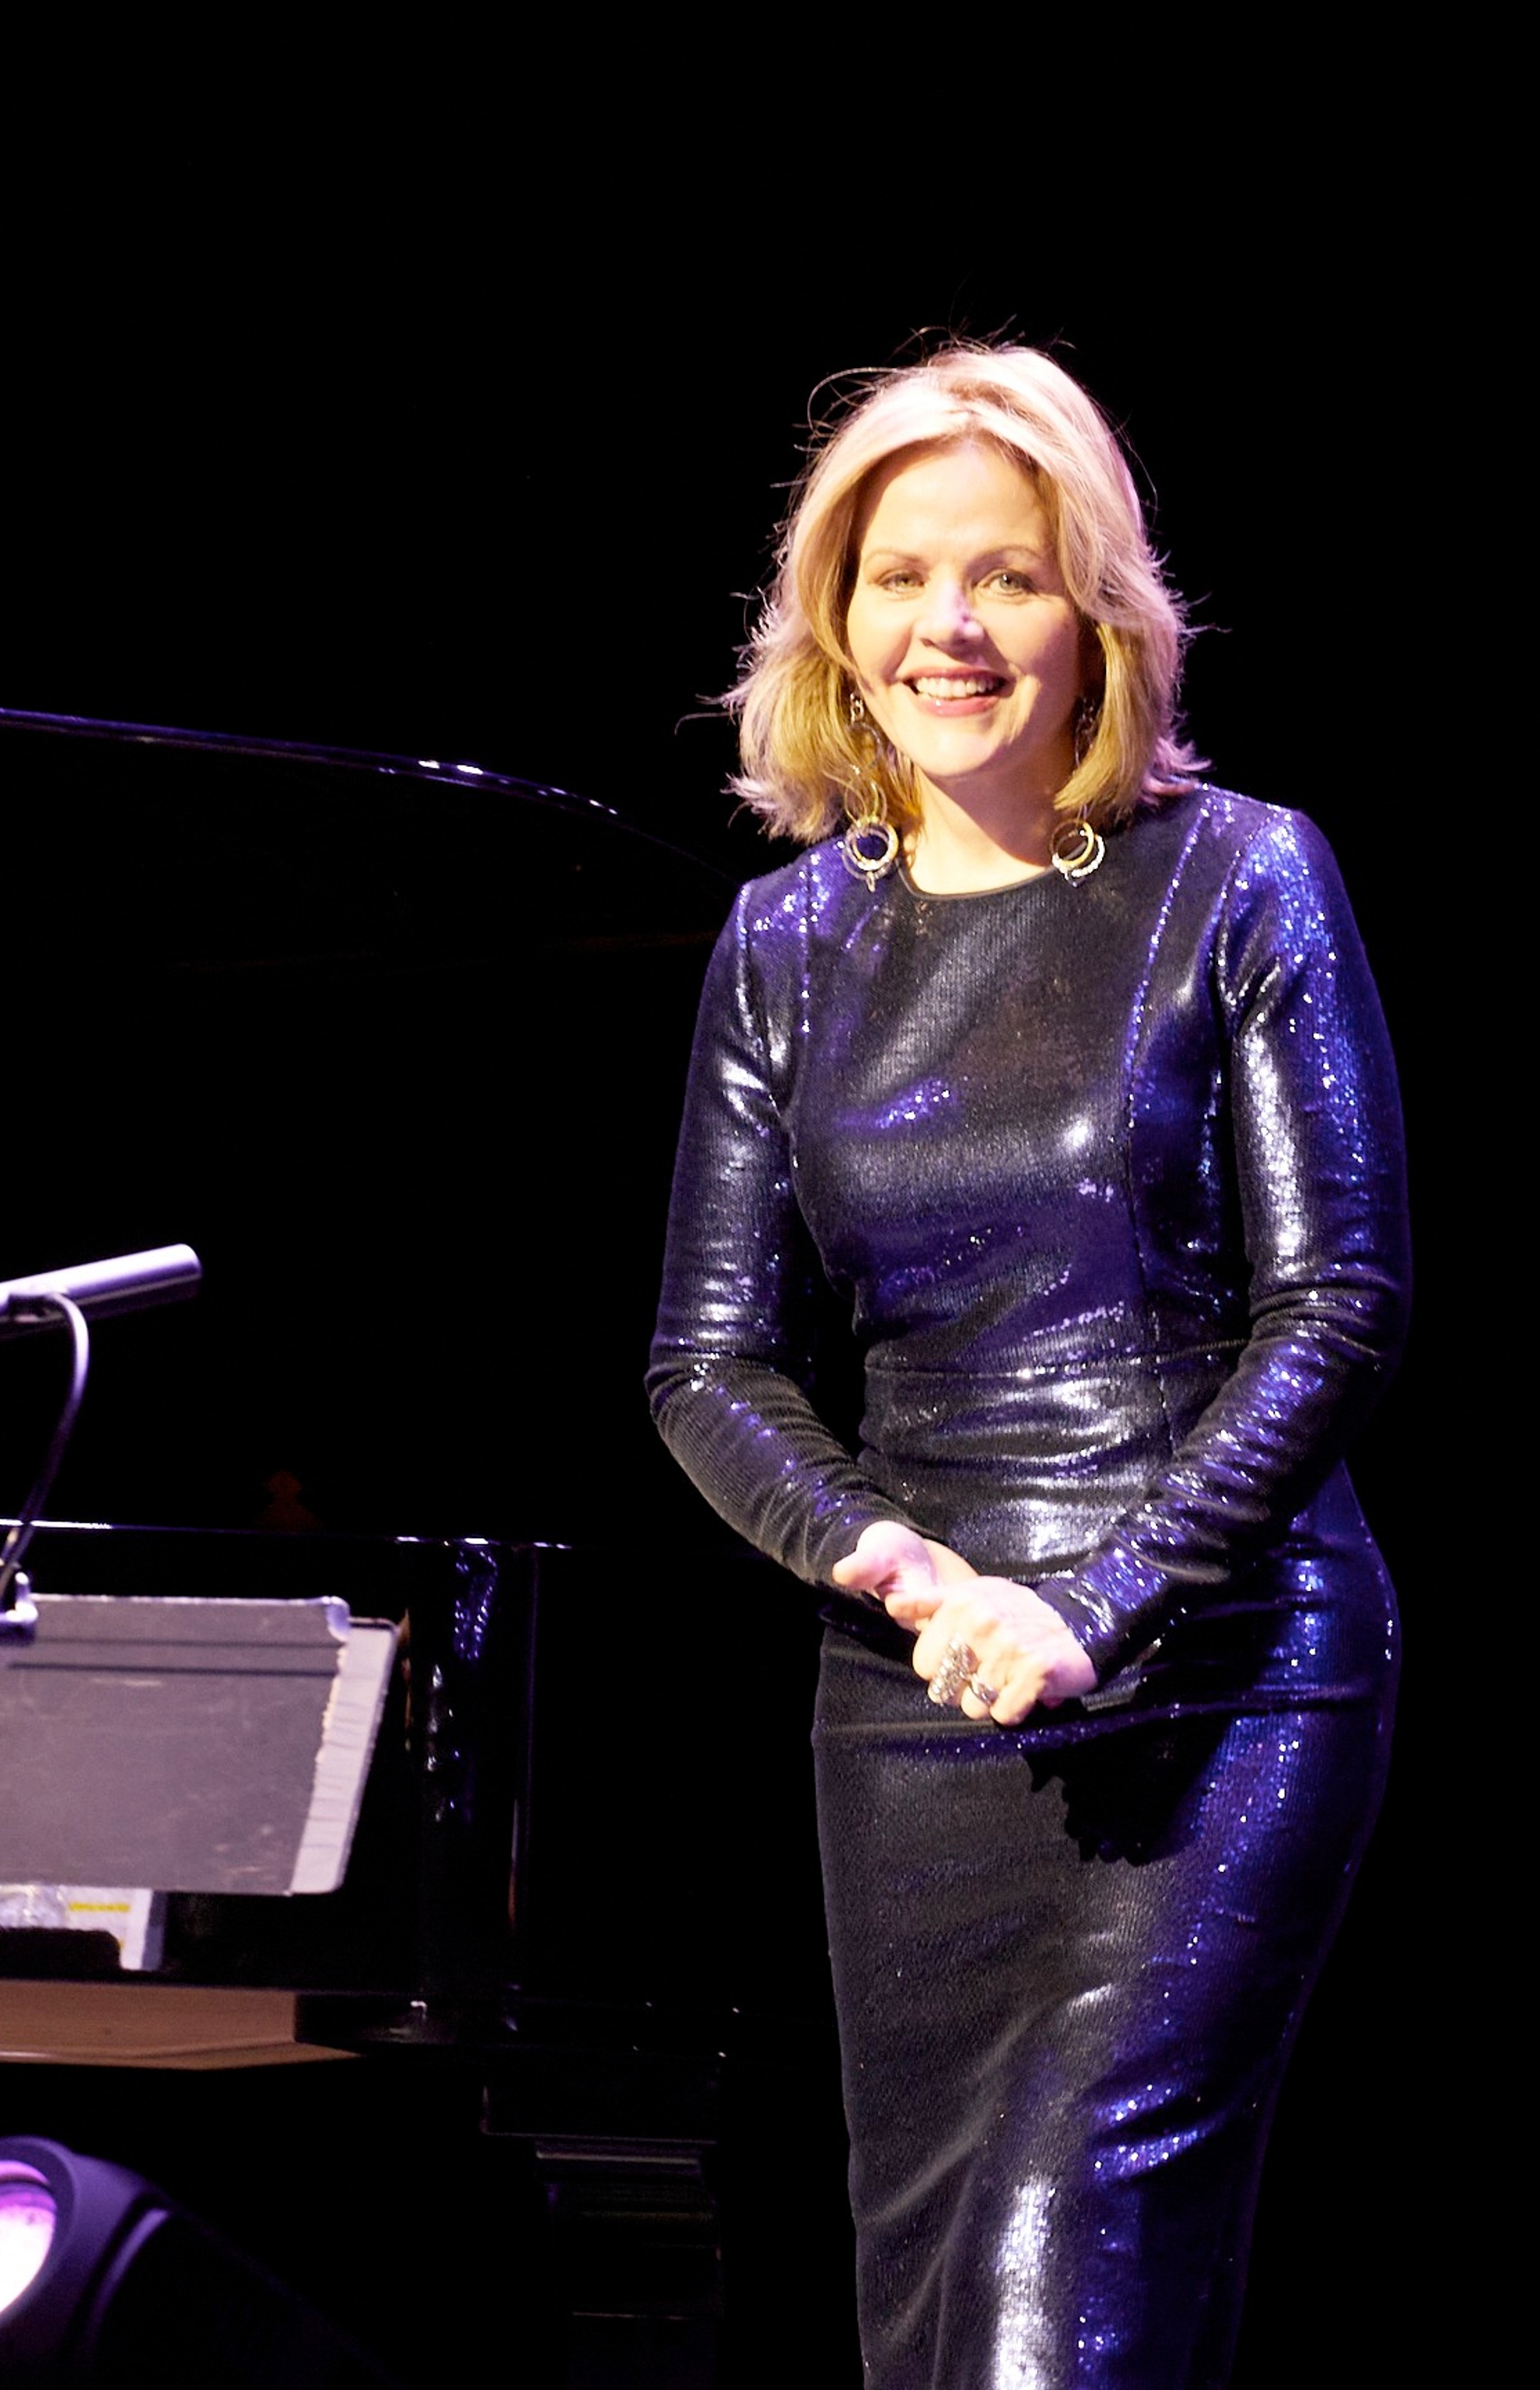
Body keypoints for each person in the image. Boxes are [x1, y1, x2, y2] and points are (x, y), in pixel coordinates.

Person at [646, 345, 1407, 2387]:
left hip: (1221, 1667)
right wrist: (902, 1575)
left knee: (1044, 2282)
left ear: (1101, 619)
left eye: (1009, 578)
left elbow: (1338, 1299)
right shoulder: (786, 942)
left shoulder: (1240, 877)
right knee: (940, 2296)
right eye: (901, 578)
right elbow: (709, 1365)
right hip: (916, 1708)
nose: (949, 629)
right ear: (836, 614)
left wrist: (1100, 1602)